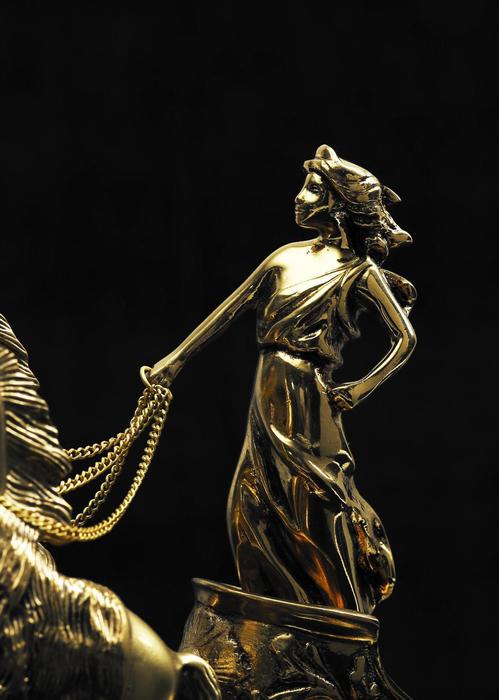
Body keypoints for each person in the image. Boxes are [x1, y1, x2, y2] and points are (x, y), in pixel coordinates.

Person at [150, 145, 417, 614]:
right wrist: (174, 361)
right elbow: (227, 312)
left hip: (308, 396)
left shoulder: (361, 272)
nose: (299, 197)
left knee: (314, 499)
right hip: (268, 385)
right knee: (249, 501)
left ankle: (342, 618)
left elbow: (405, 338)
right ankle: (272, 614)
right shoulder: (285, 259)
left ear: (338, 205)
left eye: (312, 189)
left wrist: (357, 390)